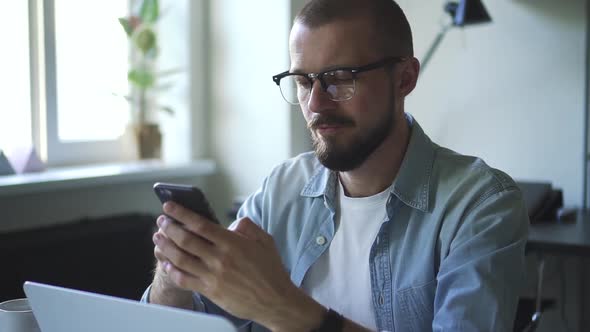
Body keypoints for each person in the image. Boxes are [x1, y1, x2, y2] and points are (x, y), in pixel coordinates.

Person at [142, 0, 529, 331]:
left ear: (405, 78)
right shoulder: (282, 188)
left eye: (340, 79)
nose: (315, 104)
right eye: (303, 81)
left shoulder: (481, 205)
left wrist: (284, 308)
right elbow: (184, 320)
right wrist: (174, 274)